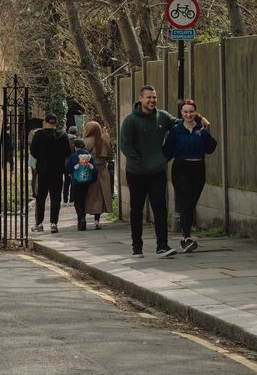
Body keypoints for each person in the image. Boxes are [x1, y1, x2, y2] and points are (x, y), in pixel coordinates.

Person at [120, 85, 178, 258]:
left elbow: (180, 125)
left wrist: (199, 119)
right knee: (136, 209)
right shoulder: (131, 121)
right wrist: (140, 162)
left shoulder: (163, 116)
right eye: (148, 97)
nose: (152, 100)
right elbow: (125, 145)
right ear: (141, 99)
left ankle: (163, 246)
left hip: (157, 171)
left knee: (160, 208)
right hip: (136, 173)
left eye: (154, 97)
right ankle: (137, 247)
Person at [163, 99, 216, 254]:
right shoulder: (176, 130)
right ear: (181, 112)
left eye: (191, 111)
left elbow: (211, 148)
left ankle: (185, 237)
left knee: (191, 203)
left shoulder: (201, 128)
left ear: (195, 112)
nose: (188, 114)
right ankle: (187, 238)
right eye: (185, 111)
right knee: (186, 200)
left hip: (199, 168)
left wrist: (205, 132)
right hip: (181, 168)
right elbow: (167, 151)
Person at [30, 114, 71, 234]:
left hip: (43, 170)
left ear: (45, 122)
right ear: (56, 123)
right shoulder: (62, 135)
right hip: (57, 171)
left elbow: (33, 152)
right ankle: (54, 223)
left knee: (41, 197)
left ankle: (39, 223)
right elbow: (68, 151)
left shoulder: (39, 135)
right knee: (56, 197)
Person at [81, 119, 113, 229]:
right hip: (102, 170)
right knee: (100, 196)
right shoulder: (104, 141)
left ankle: (82, 218)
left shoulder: (84, 142)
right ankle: (97, 221)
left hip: (87, 170)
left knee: (86, 195)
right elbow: (110, 156)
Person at [65, 142, 96, 230]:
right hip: (86, 183)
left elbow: (68, 170)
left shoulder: (73, 157)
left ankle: (81, 218)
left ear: (75, 147)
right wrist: (92, 179)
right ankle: (83, 217)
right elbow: (95, 170)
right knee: (83, 201)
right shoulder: (89, 156)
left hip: (76, 182)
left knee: (77, 202)